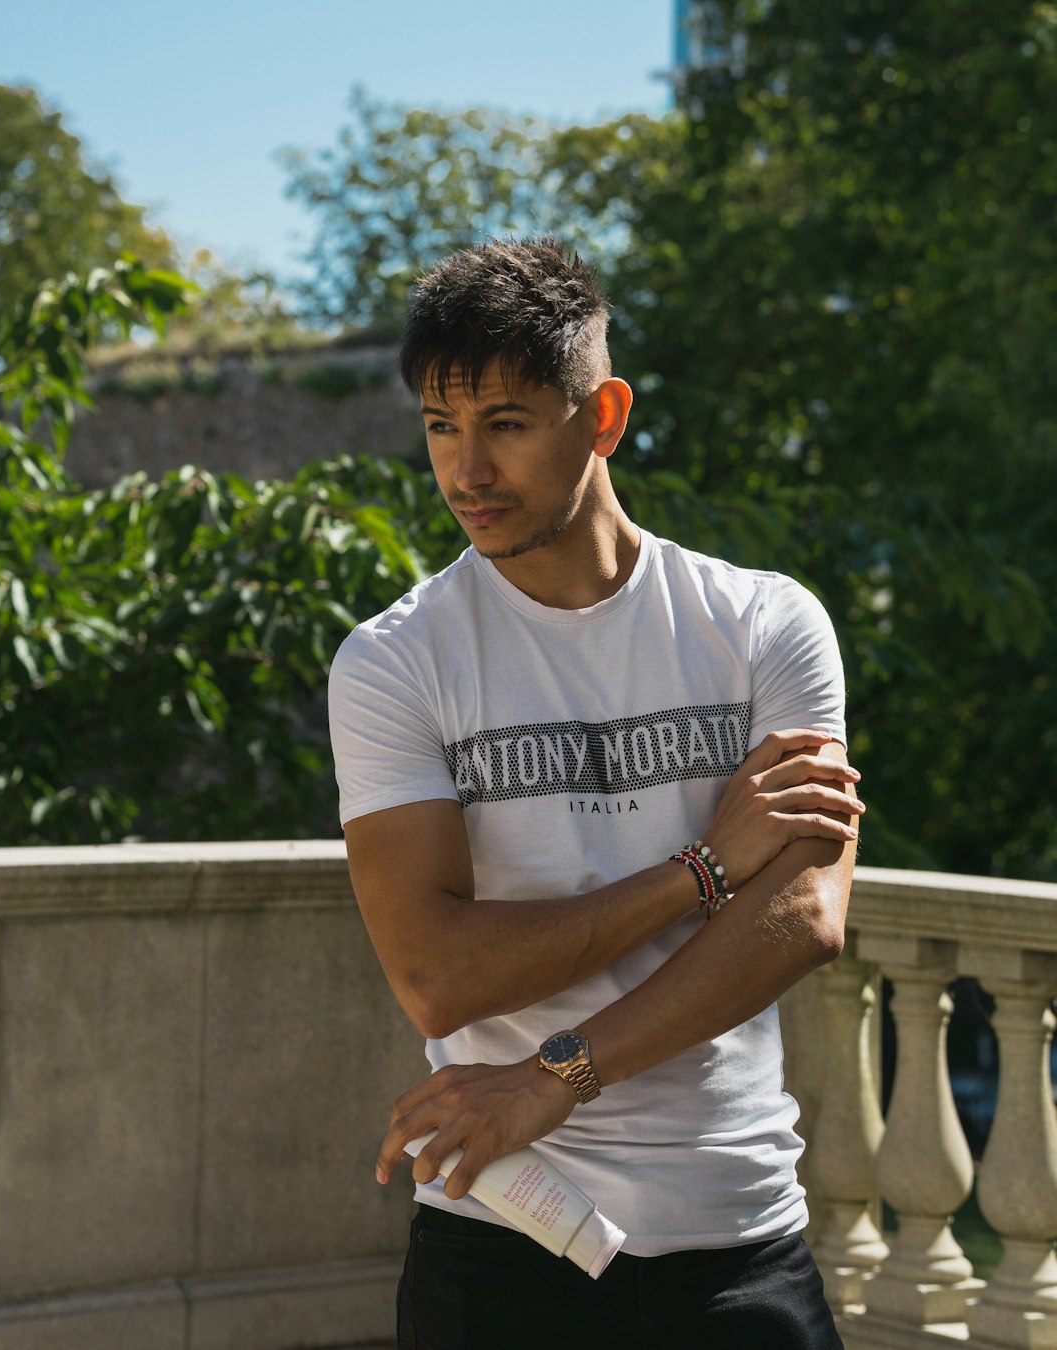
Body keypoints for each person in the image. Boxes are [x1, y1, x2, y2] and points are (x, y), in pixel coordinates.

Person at [328, 236, 863, 1350]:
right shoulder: (395, 662)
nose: (466, 471)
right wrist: (704, 870)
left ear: (603, 415)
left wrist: (550, 1074)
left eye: (506, 425)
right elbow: (436, 977)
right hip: (502, 1246)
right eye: (442, 426)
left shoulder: (764, 624)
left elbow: (806, 916)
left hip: (739, 1237)